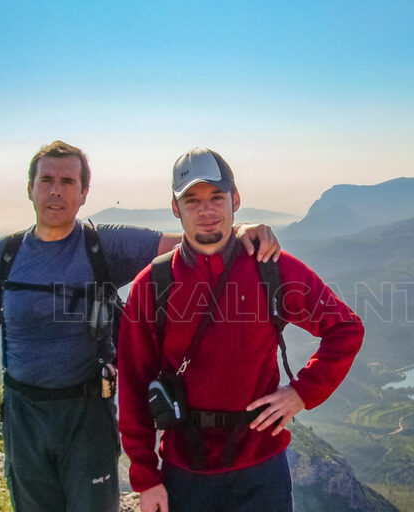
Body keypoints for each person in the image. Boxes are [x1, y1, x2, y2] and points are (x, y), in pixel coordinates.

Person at [0, 140, 280, 512]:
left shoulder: (102, 244)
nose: (56, 190)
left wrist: (240, 231)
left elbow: (188, 240)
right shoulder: (5, 255)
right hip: (22, 414)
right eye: (46, 180)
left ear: (83, 194)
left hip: (88, 415)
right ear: (30, 188)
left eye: (67, 181)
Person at [118, 147, 364, 512]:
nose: (206, 211)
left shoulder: (272, 269)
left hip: (261, 471)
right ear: (175, 208)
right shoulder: (153, 285)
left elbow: (345, 327)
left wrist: (302, 392)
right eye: (192, 200)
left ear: (235, 199)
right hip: (185, 474)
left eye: (217, 197)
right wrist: (147, 479)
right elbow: (134, 387)